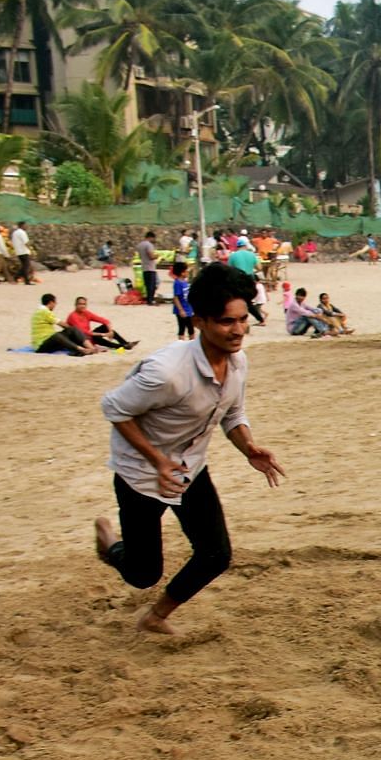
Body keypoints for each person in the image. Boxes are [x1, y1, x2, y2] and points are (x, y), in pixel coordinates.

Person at [93, 263, 286, 635]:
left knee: (216, 555)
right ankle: (110, 545)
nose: (239, 330)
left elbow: (232, 412)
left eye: (244, 319)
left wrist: (248, 447)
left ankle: (155, 617)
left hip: (189, 469)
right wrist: (157, 459)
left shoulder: (237, 362)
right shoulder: (166, 372)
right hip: (141, 475)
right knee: (142, 573)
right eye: (227, 322)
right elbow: (113, 408)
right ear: (198, 321)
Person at [31, 293, 103, 355]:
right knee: (58, 335)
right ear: (51, 302)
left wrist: (72, 330)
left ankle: (91, 348)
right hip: (41, 346)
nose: (55, 305)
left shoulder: (40, 311)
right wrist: (74, 330)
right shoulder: (44, 312)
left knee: (70, 330)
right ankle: (81, 349)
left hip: (47, 341)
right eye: (55, 303)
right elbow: (62, 324)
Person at [67, 295, 135, 349]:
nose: (82, 306)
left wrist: (110, 331)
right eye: (80, 304)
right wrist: (103, 334)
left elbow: (104, 320)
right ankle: (120, 346)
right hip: (82, 340)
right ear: (75, 305)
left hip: (89, 336)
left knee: (105, 327)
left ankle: (125, 343)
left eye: (84, 304)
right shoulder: (73, 316)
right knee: (96, 337)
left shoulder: (86, 313)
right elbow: (83, 331)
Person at [169, 262, 195, 339]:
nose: (188, 272)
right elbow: (176, 297)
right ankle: (181, 344)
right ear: (182, 273)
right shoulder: (177, 283)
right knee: (182, 328)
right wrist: (181, 310)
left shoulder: (185, 282)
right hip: (182, 309)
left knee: (191, 328)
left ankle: (191, 344)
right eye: (186, 271)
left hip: (188, 309)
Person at [137, 231, 161, 304]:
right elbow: (151, 256)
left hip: (144, 266)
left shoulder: (140, 245)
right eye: (154, 239)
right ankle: (151, 300)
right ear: (151, 237)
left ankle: (149, 299)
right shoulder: (149, 245)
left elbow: (140, 256)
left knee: (147, 285)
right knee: (153, 284)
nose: (154, 240)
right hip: (150, 267)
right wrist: (157, 256)